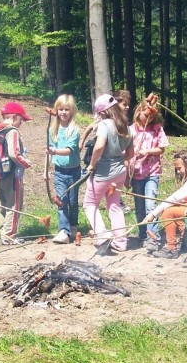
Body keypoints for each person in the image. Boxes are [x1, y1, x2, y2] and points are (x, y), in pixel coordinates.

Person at [83, 93, 134, 253]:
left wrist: (92, 164)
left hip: (103, 173)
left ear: (103, 112)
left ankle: (103, 237)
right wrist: (118, 158)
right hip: (120, 173)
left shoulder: (105, 125)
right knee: (114, 206)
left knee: (90, 204)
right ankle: (120, 242)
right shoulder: (126, 126)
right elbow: (130, 154)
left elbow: (99, 146)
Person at [142, 150, 187, 259]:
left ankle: (171, 249)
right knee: (173, 207)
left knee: (168, 212)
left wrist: (153, 214)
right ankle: (185, 238)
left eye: (179, 168)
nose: (178, 172)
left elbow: (174, 198)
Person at [0, 101, 32, 244]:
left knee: (5, 202)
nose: (22, 123)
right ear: (14, 117)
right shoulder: (12, 131)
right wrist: (27, 163)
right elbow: (14, 154)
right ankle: (10, 236)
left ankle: (2, 232)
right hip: (12, 174)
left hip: (0, 172)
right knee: (15, 204)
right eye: (21, 119)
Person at [129, 101, 169, 247]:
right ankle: (143, 234)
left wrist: (147, 151)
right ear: (139, 111)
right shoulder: (131, 130)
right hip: (136, 173)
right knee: (139, 206)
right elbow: (126, 152)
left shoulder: (156, 129)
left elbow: (162, 148)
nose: (149, 119)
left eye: (152, 117)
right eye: (146, 115)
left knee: (150, 204)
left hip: (152, 172)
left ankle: (154, 237)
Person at [46, 94, 81, 244]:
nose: (63, 113)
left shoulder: (74, 130)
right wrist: (45, 170)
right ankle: (63, 231)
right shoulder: (52, 129)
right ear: (56, 110)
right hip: (59, 171)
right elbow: (48, 150)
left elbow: (68, 150)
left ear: (72, 111)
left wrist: (53, 151)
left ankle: (73, 226)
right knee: (61, 201)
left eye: (67, 109)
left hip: (73, 172)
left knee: (72, 202)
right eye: (60, 109)